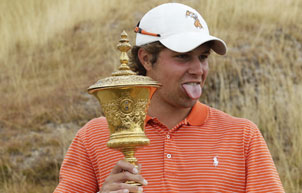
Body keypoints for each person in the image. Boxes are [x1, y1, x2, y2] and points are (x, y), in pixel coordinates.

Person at [55, 3, 284, 193]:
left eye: (203, 57)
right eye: (183, 57)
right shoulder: (93, 137)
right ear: (146, 58)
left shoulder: (243, 136)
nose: (198, 69)